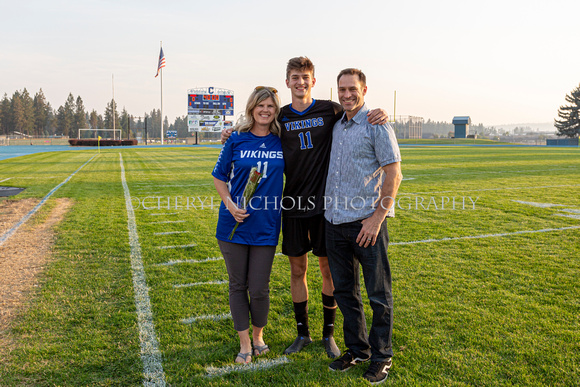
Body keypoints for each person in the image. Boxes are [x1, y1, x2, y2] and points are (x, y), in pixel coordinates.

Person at [222, 57, 388, 359]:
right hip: (293, 205)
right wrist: (229, 134)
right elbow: (253, 127)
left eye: (305, 77)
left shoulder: (331, 109)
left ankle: (328, 335)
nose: (300, 82)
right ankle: (303, 333)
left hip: (326, 207)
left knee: (328, 270)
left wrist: (380, 111)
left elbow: (356, 110)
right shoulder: (280, 117)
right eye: (295, 77)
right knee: (297, 269)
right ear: (287, 82)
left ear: (313, 81)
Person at [325, 68, 402, 385]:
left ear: (364, 89)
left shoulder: (376, 123)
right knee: (345, 292)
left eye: (352, 89)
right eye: (341, 89)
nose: (346, 94)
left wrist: (376, 219)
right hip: (334, 223)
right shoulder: (337, 125)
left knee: (378, 294)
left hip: (367, 224)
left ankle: (383, 356)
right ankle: (357, 350)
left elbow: (394, 174)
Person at [212, 86, 284, 364]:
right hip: (233, 225)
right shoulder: (236, 139)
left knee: (260, 288)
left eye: (271, 107)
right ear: (252, 107)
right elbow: (219, 176)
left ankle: (258, 337)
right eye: (261, 106)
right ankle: (244, 343)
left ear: (276, 111)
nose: (265, 111)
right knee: (237, 285)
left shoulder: (282, 141)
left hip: (266, 224)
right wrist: (231, 205)